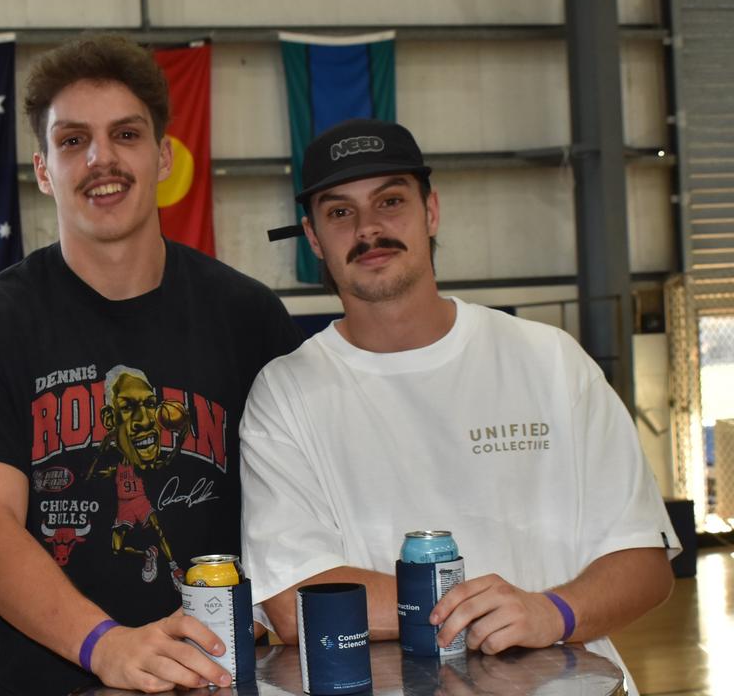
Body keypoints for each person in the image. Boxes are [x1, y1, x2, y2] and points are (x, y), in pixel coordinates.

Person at [239, 118, 678, 693]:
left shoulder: (550, 362)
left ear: (431, 211)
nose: (369, 228)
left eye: (391, 200)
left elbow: (643, 561)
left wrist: (551, 612)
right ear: (314, 238)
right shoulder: (284, 395)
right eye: (340, 211)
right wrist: (476, 609)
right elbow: (292, 598)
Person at [0, 35, 303, 694]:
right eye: (73, 141)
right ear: (43, 170)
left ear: (162, 157)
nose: (101, 158)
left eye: (125, 135)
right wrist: (105, 644)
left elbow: (294, 504)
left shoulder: (249, 317)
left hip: (214, 677)